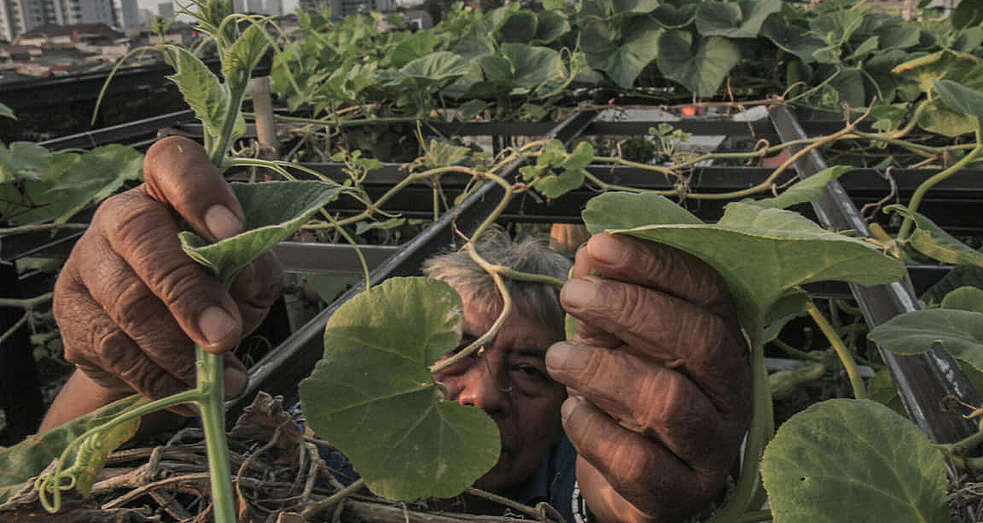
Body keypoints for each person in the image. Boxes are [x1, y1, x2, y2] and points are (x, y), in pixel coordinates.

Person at [41, 136, 751, 522]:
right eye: (453, 353)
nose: (482, 395)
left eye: (532, 370)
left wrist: (656, 501)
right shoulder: (329, 448)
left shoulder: (572, 469)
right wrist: (115, 368)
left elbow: (615, 497)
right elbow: (46, 486)